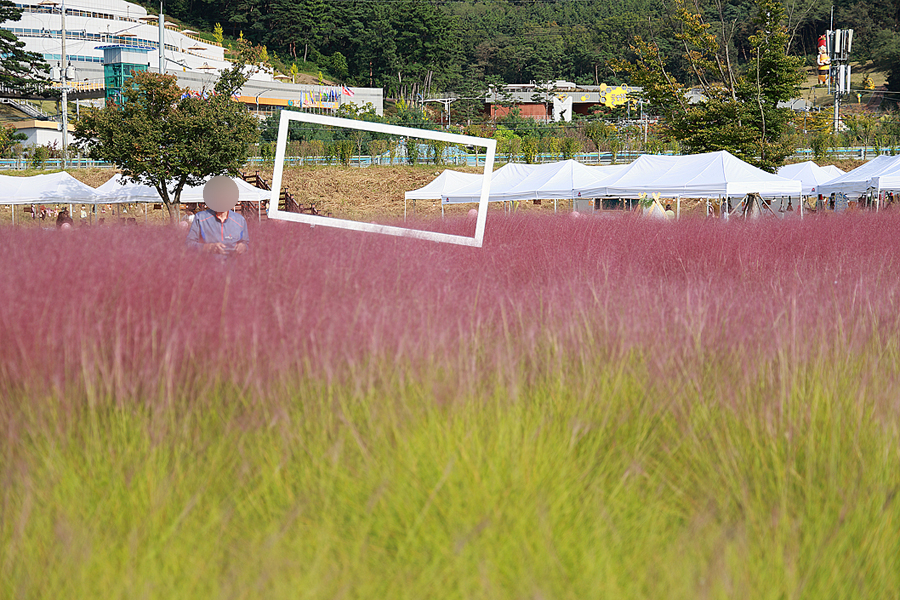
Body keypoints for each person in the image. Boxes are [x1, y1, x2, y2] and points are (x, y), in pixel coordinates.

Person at [185, 176, 249, 258]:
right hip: (207, 267)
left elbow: (246, 243)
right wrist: (208, 247)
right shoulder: (200, 218)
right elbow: (189, 244)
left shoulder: (240, 220)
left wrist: (243, 246)